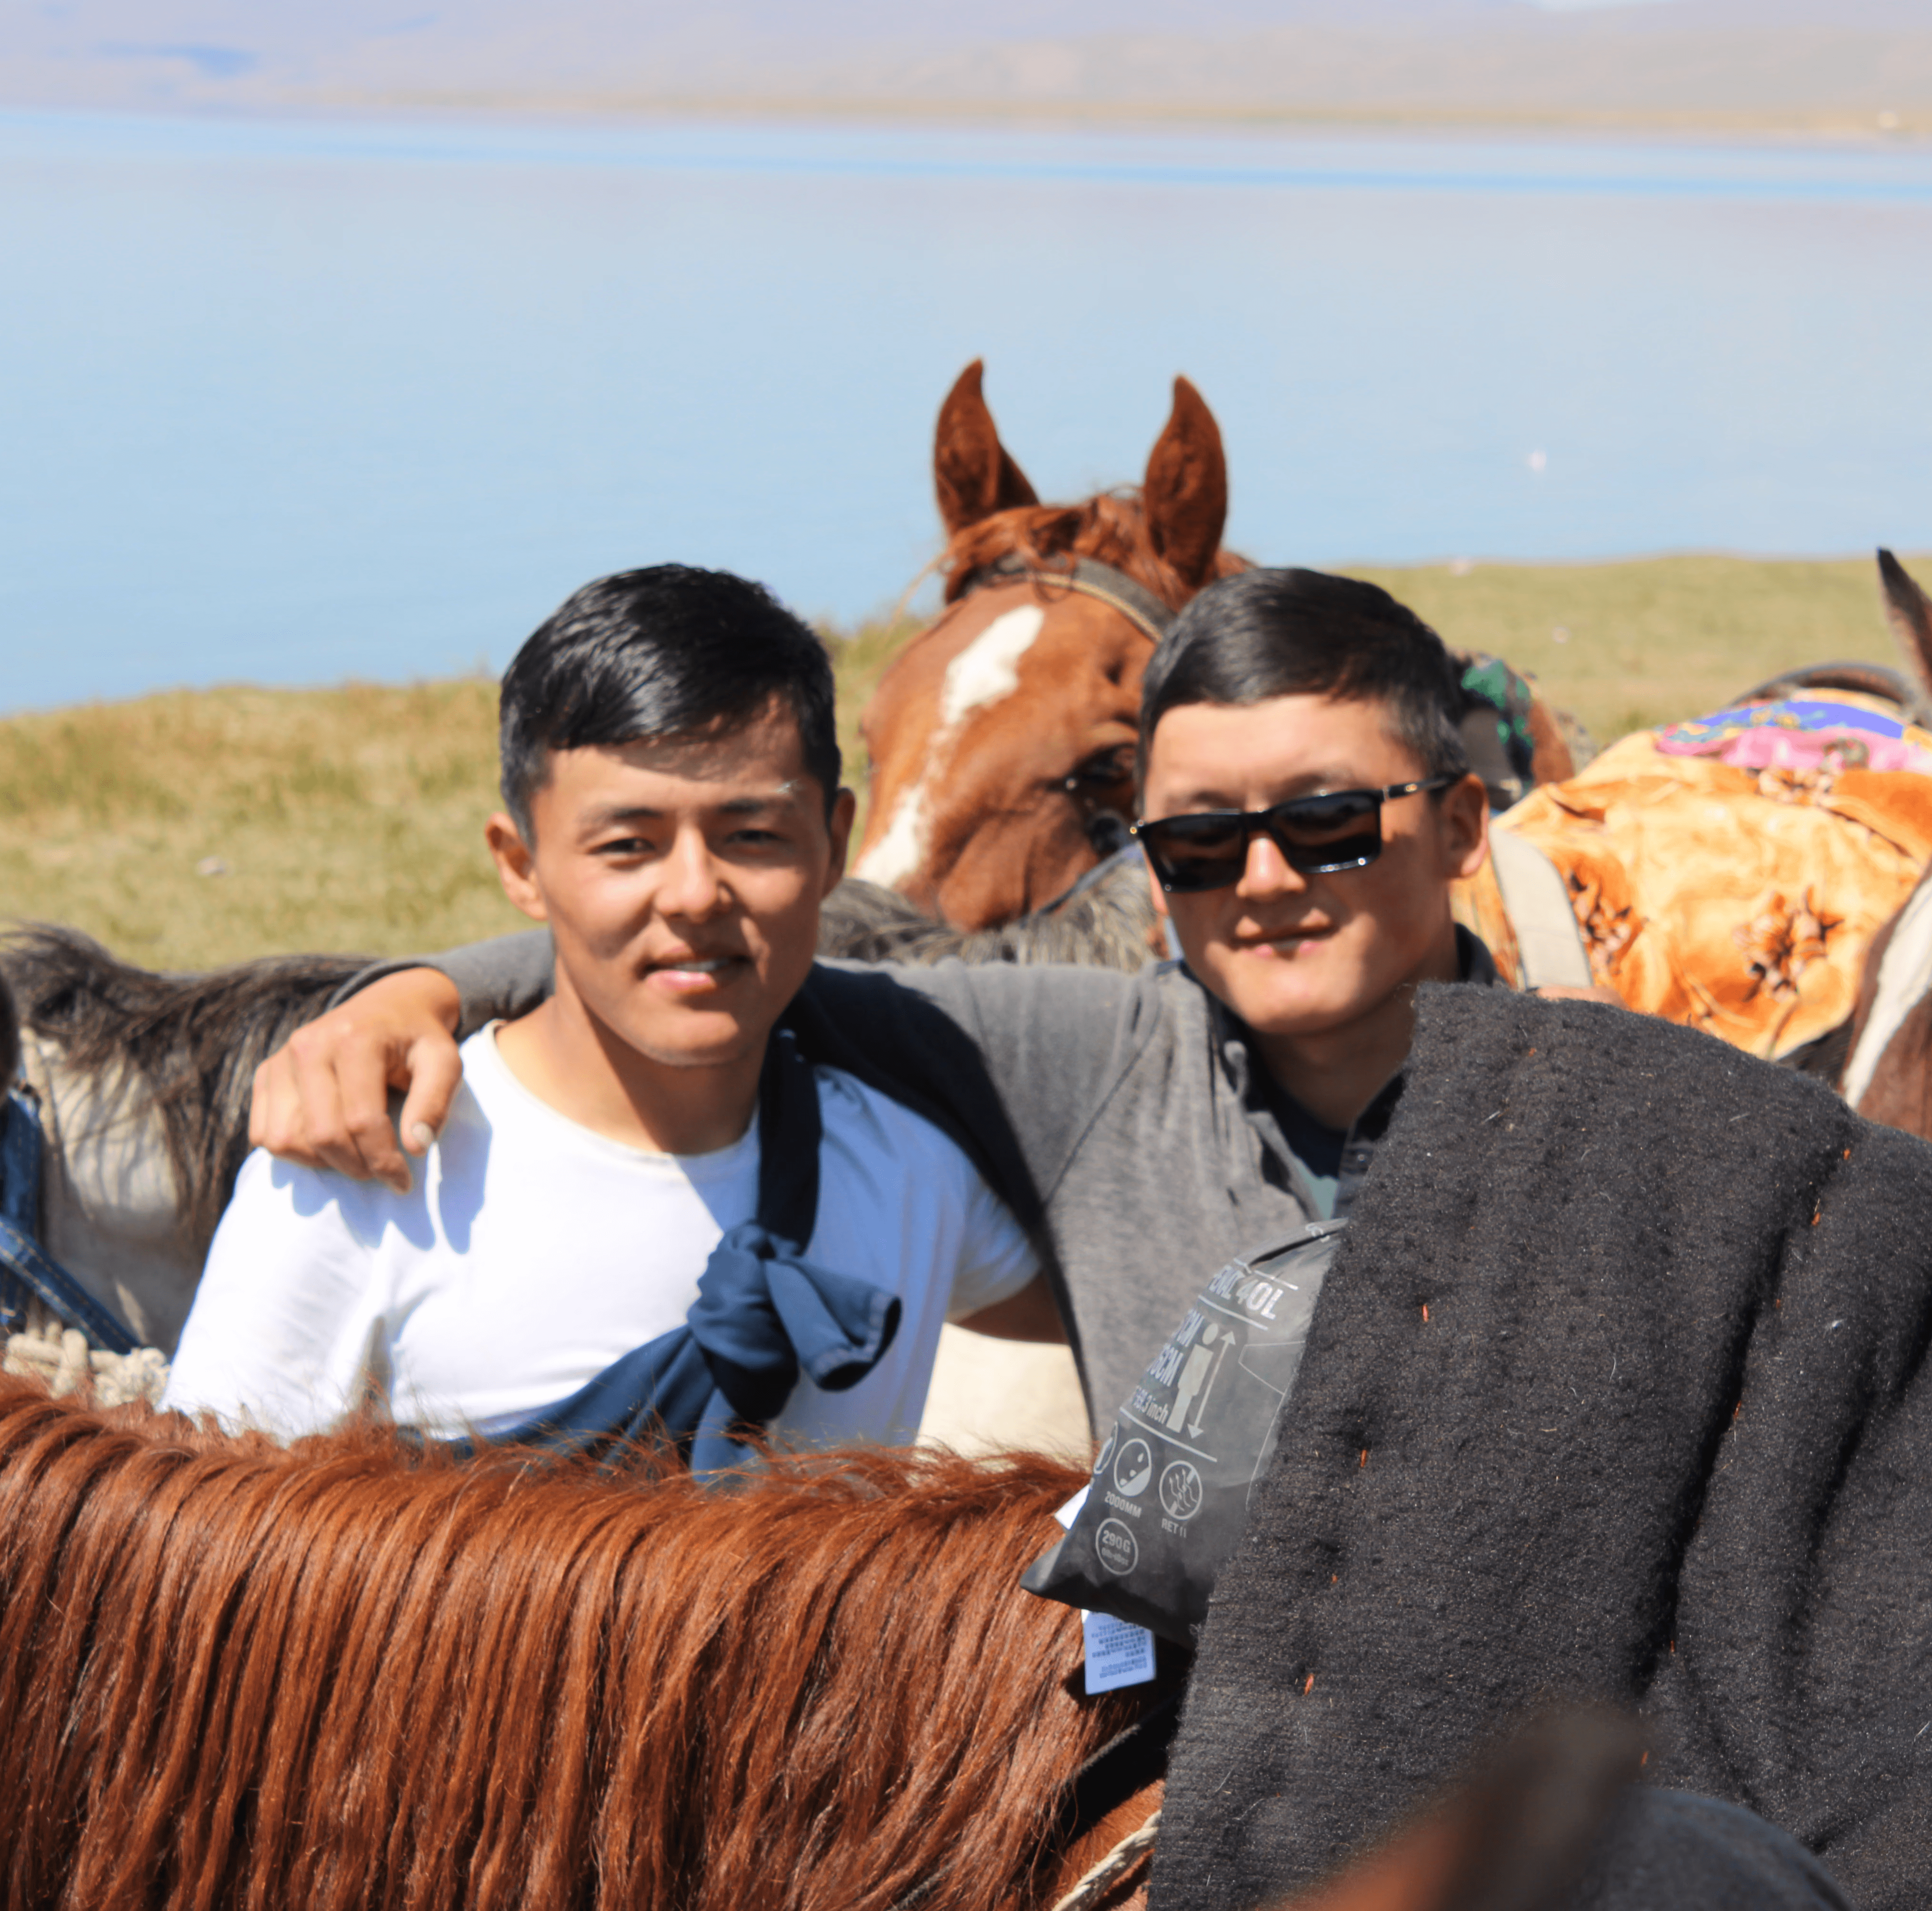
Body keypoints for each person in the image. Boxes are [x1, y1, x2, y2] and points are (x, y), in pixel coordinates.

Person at [248, 566, 1529, 1419]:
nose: (1260, 882)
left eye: (1327, 824)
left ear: (1463, 824)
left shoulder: (1642, 1125)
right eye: (1194, 839)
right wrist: (411, 994)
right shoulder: (1096, 1068)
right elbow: (730, 953)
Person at [163, 566, 1045, 1452]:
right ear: (520, 865)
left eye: (752, 836)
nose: (696, 894)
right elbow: (193, 1552)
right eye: (629, 846)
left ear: (834, 844)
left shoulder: (914, 1173)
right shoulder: (363, 1176)